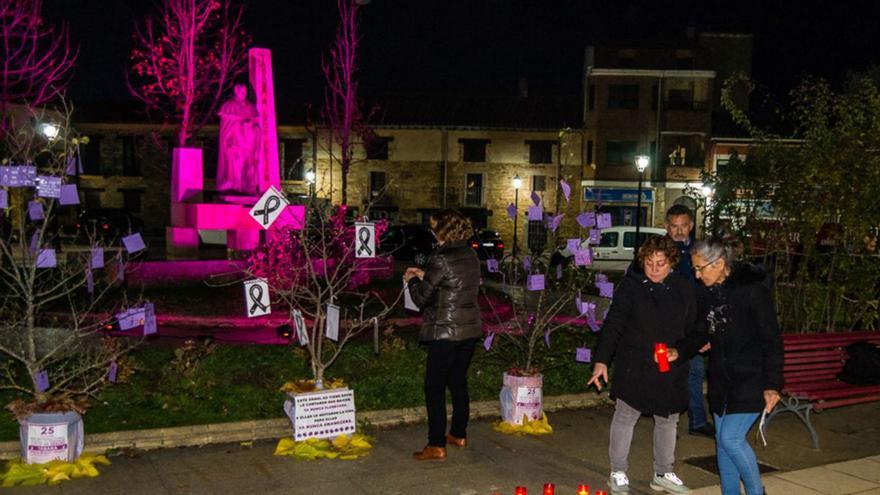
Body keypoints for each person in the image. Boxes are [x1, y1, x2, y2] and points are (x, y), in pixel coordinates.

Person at [669, 234, 783, 495]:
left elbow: (772, 340)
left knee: (730, 439)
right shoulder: (708, 292)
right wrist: (680, 351)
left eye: (700, 268)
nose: (697, 275)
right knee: (722, 444)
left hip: (751, 378)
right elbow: (701, 330)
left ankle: (757, 492)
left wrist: (773, 384)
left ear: (719, 263)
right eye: (695, 268)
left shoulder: (753, 291)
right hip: (722, 379)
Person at [588, 235, 697, 495]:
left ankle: (663, 472)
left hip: (670, 366)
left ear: (671, 262)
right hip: (635, 364)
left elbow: (696, 329)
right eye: (649, 263)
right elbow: (613, 325)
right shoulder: (631, 286)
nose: (655, 268)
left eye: (661, 263)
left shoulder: (684, 287)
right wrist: (601, 360)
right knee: (625, 416)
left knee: (668, 420)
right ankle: (618, 472)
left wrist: (680, 351)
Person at [405, 209, 482, 461]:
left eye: (434, 226)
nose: (431, 230)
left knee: (434, 387)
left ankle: (436, 444)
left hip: (445, 331)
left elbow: (421, 299)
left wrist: (411, 281)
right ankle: (458, 433)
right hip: (469, 329)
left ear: (443, 230)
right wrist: (424, 275)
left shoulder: (441, 258)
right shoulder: (469, 254)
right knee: (458, 381)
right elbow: (453, 283)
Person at [665, 204, 714, 438]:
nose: (679, 231)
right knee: (667, 370)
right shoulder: (659, 251)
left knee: (694, 371)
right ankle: (667, 415)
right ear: (667, 227)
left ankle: (696, 420)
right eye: (674, 226)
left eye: (684, 225)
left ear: (691, 226)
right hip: (666, 322)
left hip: (692, 321)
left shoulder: (699, 252)